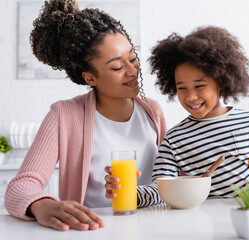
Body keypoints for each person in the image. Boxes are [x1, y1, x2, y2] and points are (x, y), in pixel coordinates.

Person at [5, 0, 166, 231]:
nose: (132, 70)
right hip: (94, 230)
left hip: (157, 226)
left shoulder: (153, 110)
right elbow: (21, 185)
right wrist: (43, 205)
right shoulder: (64, 115)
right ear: (90, 78)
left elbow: (169, 176)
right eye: (117, 67)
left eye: (132, 58)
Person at [106, 26, 249, 207]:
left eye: (199, 86)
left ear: (222, 80)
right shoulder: (174, 139)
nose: (190, 97)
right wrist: (130, 192)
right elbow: (161, 189)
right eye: (182, 88)